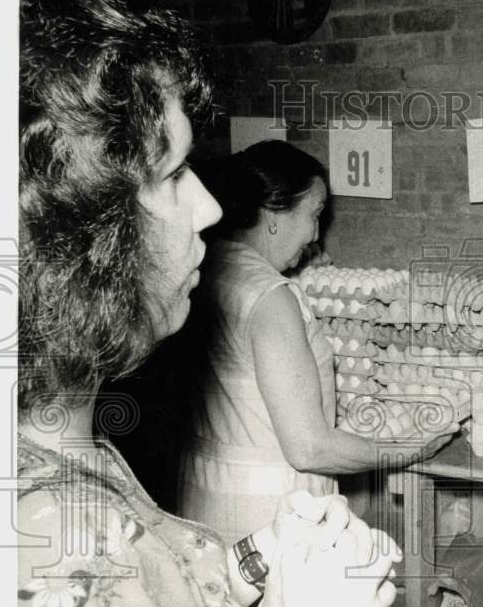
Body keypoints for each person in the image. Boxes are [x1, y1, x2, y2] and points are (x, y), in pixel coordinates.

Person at [16, 0, 398, 607]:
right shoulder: (52, 545)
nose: (211, 208)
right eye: (171, 176)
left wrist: (262, 556)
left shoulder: (68, 442)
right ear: (79, 238)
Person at [178, 140, 455, 544]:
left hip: (205, 502)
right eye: (315, 215)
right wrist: (406, 451)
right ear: (274, 214)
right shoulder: (271, 298)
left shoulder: (207, 270)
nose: (314, 234)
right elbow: (309, 448)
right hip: (276, 519)